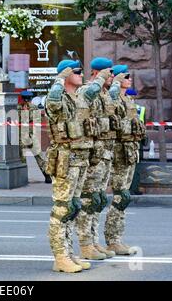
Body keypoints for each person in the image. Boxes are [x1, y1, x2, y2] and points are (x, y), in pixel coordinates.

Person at [45, 59, 107, 273]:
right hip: (65, 158)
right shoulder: (57, 96)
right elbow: (52, 103)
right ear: (65, 75)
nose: (81, 75)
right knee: (62, 208)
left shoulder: (79, 97)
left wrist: (105, 77)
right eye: (77, 72)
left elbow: (94, 91)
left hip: (81, 158)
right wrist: (60, 78)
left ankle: (70, 254)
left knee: (73, 207)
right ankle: (60, 256)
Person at [76, 57, 118, 261]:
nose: (112, 76)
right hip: (93, 155)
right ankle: (85, 244)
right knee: (88, 200)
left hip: (105, 154)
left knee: (98, 200)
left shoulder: (104, 95)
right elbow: (86, 99)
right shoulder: (88, 90)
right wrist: (99, 80)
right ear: (96, 73)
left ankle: (93, 241)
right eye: (108, 73)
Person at [104, 64, 146, 255]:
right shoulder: (114, 99)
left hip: (130, 151)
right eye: (126, 76)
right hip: (119, 153)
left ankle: (118, 239)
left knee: (124, 198)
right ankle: (112, 240)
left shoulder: (128, 99)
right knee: (120, 196)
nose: (130, 79)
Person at [18, 90, 51, 183]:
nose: (26, 101)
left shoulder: (35, 108)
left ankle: (47, 175)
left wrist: (26, 115)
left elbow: (37, 120)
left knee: (39, 155)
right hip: (21, 136)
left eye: (28, 99)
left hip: (32, 135)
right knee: (22, 158)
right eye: (25, 99)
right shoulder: (17, 108)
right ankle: (22, 177)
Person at [126, 88, 146, 196]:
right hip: (137, 142)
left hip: (126, 141)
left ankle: (127, 189)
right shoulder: (140, 109)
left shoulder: (122, 107)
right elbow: (144, 126)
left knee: (127, 165)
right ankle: (133, 188)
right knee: (136, 165)